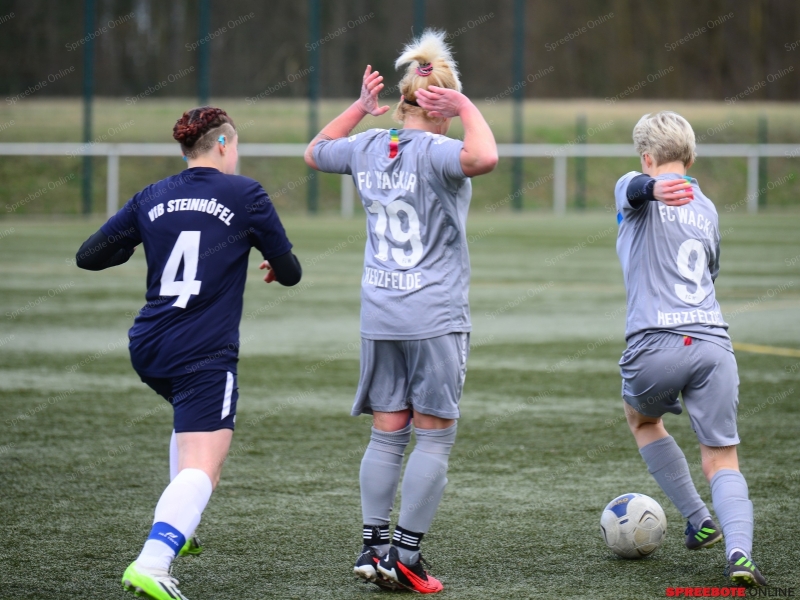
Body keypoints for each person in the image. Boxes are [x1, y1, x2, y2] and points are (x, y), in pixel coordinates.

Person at [75, 106, 302, 600]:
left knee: (193, 432)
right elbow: (290, 270)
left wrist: (137, 245)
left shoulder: (152, 195)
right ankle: (153, 562)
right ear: (222, 144)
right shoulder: (246, 194)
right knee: (204, 462)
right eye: (235, 145)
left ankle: (183, 522)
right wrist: (272, 264)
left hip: (150, 343)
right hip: (203, 352)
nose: (237, 154)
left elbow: (88, 257)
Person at [304, 29, 497, 594]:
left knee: (388, 432)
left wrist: (360, 110)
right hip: (433, 314)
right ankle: (406, 557)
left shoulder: (368, 144)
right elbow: (483, 155)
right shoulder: (441, 151)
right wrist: (465, 106)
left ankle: (372, 546)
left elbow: (314, 151)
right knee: (434, 436)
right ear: (440, 104)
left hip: (379, 313)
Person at [614, 111, 765, 587]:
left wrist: (650, 188)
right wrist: (654, 189)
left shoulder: (632, 186)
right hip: (713, 344)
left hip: (654, 344)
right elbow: (710, 273)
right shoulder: (708, 208)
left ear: (646, 157)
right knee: (722, 458)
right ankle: (739, 555)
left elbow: (635, 189)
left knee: (640, 417)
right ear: (692, 156)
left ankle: (699, 521)